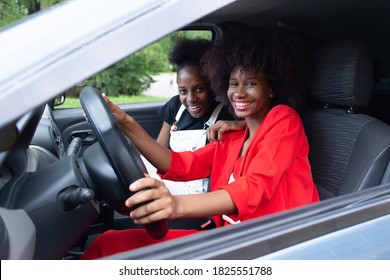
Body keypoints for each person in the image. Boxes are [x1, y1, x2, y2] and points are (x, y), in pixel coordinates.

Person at [81, 27, 319, 259]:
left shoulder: (285, 120)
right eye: (234, 83)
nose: (239, 93)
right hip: (227, 240)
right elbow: (182, 164)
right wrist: (126, 124)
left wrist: (175, 204)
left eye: (251, 83)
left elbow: (255, 186)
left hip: (272, 246)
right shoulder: (233, 134)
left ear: (271, 89)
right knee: (107, 243)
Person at [143, 37, 235, 195]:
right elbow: (159, 148)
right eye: (183, 91)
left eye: (199, 89)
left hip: (197, 189)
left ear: (212, 86)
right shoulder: (175, 107)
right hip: (172, 173)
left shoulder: (225, 116)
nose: (191, 98)